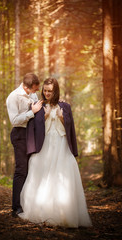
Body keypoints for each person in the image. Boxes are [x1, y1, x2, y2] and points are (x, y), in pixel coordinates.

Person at [19, 77, 92, 227]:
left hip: (61, 143)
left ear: (56, 91)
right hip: (44, 144)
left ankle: (62, 212)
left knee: (62, 174)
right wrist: (44, 117)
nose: (46, 93)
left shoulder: (65, 106)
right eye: (45, 90)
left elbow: (70, 128)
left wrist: (62, 118)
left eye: (50, 91)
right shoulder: (37, 105)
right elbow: (32, 127)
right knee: (41, 172)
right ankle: (42, 211)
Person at [6, 73, 43, 217]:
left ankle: (28, 204)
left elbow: (39, 105)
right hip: (19, 135)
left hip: (31, 134)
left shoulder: (32, 95)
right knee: (21, 170)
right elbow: (14, 121)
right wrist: (31, 113)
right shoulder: (13, 97)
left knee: (32, 169)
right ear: (26, 87)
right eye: (34, 90)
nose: (35, 93)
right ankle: (16, 207)